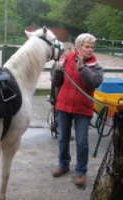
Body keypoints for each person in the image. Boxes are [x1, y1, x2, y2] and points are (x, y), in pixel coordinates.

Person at [51, 33, 103, 187]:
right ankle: (63, 164)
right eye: (87, 47)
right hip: (64, 105)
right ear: (79, 47)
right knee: (63, 138)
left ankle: (81, 171)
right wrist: (58, 69)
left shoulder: (96, 67)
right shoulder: (66, 60)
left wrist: (82, 68)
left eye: (92, 47)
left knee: (82, 142)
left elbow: (93, 83)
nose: (90, 50)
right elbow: (55, 82)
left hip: (83, 108)